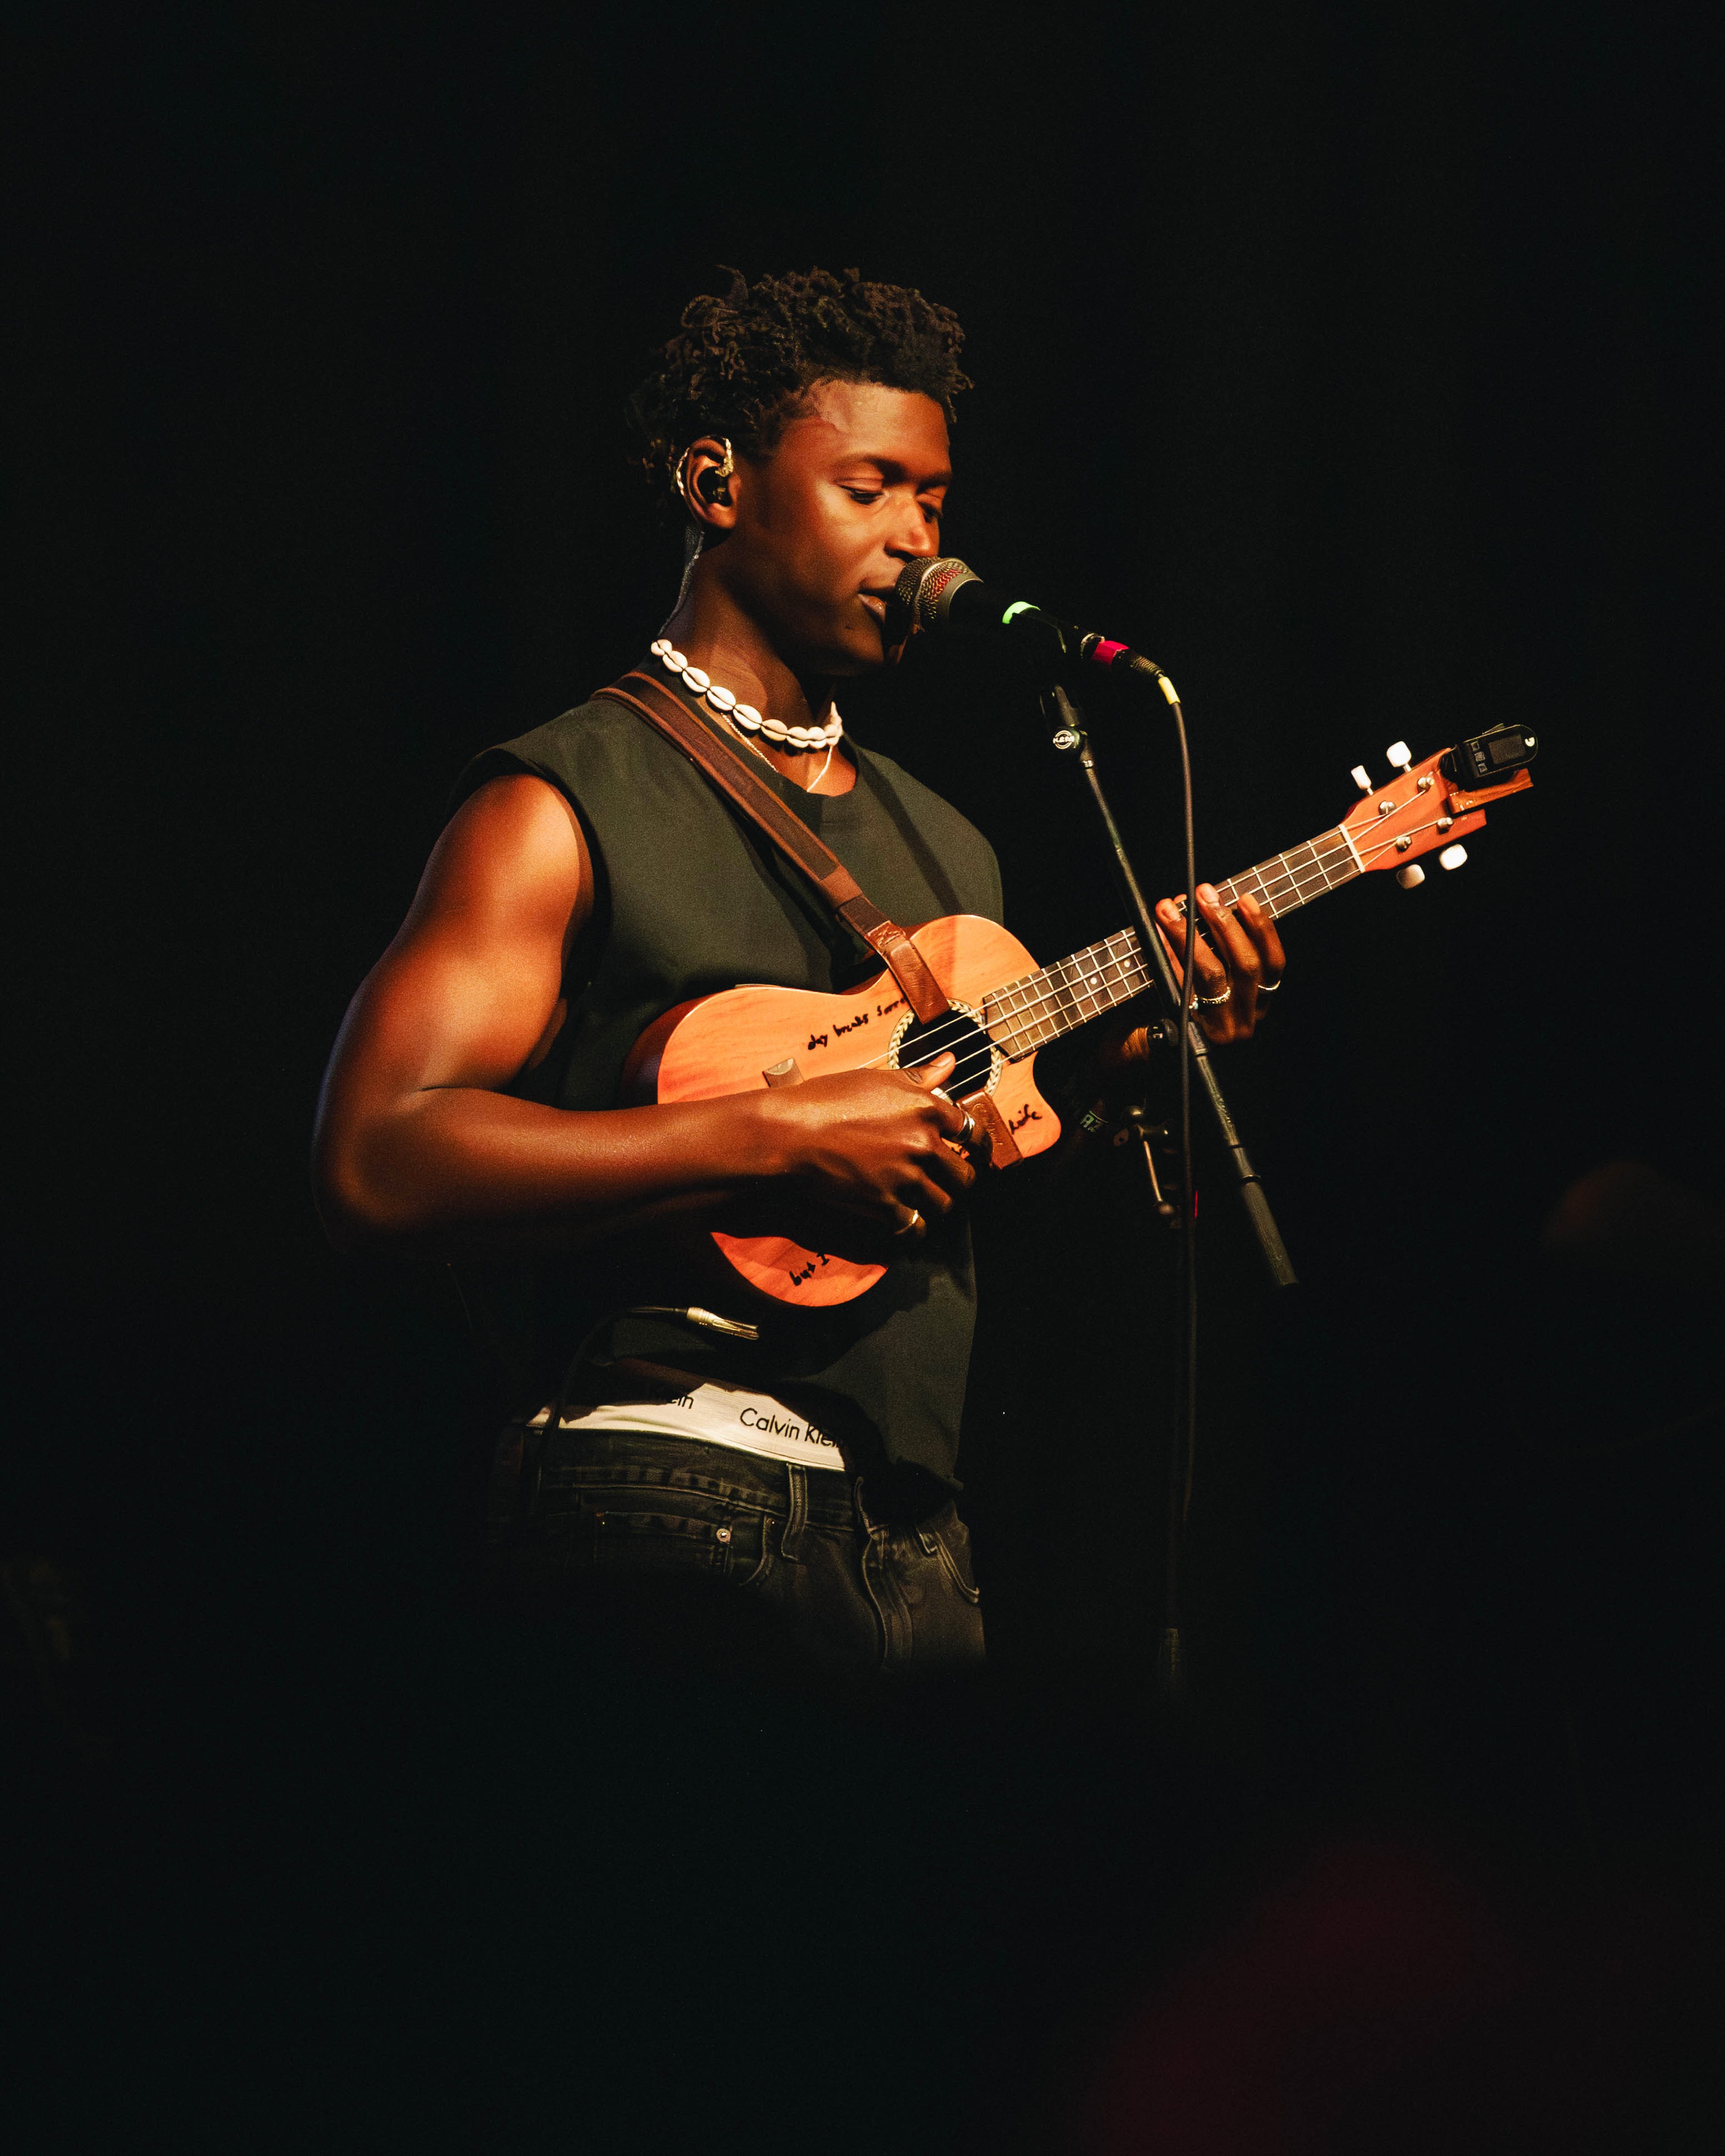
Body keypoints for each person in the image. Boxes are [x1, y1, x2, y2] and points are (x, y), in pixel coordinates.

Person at [312, 268, 1283, 1673]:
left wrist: (1128, 1079)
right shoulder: (565, 800)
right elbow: (374, 1158)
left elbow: (954, 1227)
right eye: (868, 489)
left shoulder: (945, 843)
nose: (916, 541)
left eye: (932, 501)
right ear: (716, 483)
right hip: (670, 1494)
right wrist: (771, 1133)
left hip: (919, 1544)